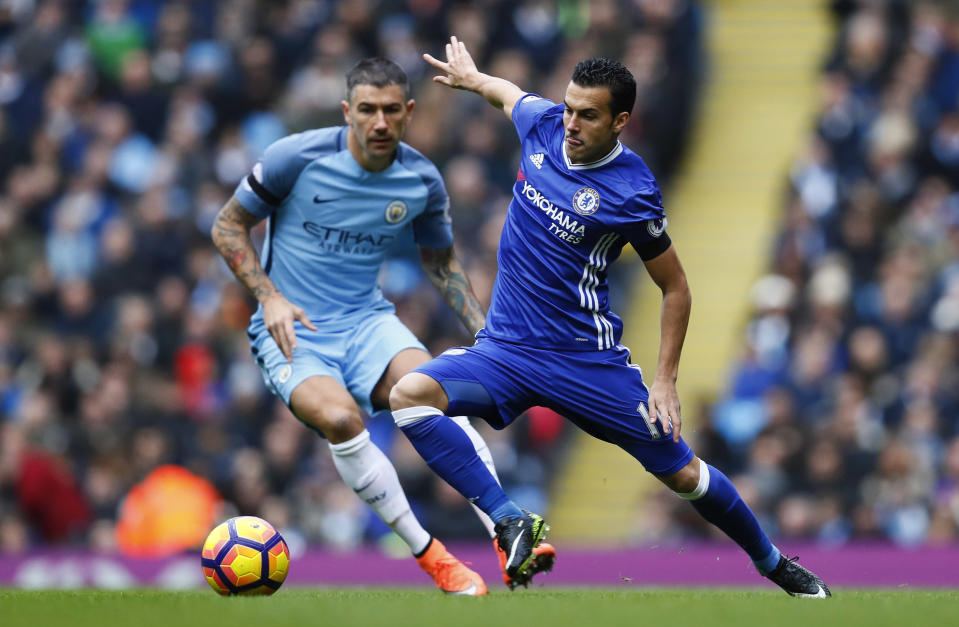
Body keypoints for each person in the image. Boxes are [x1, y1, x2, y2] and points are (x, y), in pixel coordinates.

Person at [390, 36, 832, 598]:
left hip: (584, 362)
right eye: (569, 108)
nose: (571, 123)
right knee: (409, 398)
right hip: (506, 349)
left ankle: (774, 565)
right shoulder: (543, 125)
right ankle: (509, 520)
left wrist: (666, 380)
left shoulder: (632, 191)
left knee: (684, 476)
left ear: (620, 120)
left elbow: (675, 288)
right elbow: (510, 95)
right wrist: (475, 79)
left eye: (588, 115)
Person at [210, 57, 553, 595]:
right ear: (348, 111)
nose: (379, 122)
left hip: (368, 320)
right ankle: (431, 555)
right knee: (342, 420)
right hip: (294, 329)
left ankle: (505, 527)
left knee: (427, 393)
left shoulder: (419, 179)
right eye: (367, 110)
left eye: (392, 110)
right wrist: (268, 296)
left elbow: (440, 264)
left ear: (408, 112)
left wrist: (488, 335)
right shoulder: (294, 158)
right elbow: (228, 226)